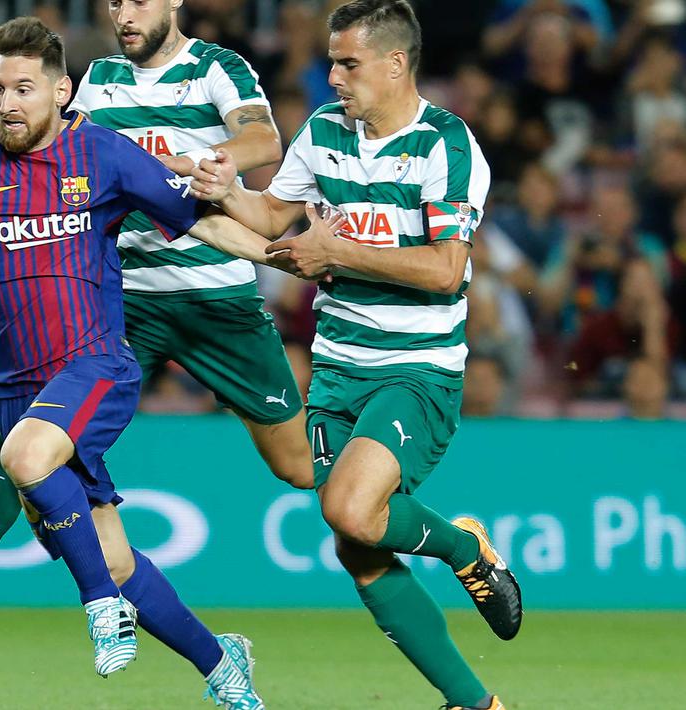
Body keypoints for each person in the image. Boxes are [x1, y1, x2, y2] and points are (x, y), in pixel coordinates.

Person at [0, 17, 297, 707]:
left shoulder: (104, 154)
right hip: (16, 384)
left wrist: (276, 255)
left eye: (24, 87)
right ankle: (219, 661)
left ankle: (93, 611)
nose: (8, 101)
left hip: (94, 364)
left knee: (22, 460)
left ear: (62, 91)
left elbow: (197, 217)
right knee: (111, 557)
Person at [189, 2, 521, 709]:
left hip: (416, 369)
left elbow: (444, 271)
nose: (332, 75)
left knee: (346, 506)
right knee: (356, 543)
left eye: (348, 63)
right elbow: (275, 221)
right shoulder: (322, 132)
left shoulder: (444, 145)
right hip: (339, 367)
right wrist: (225, 193)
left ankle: (463, 550)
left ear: (395, 63)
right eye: (331, 62)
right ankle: (475, 703)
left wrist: (335, 250)